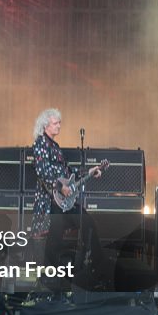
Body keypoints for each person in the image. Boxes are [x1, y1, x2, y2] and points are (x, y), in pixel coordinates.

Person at [30, 108, 104, 291]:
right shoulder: (40, 144)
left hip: (63, 203)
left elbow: (68, 173)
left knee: (87, 222)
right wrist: (58, 186)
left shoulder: (55, 147)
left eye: (59, 123)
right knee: (54, 240)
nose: (59, 126)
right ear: (46, 125)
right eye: (56, 123)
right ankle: (48, 281)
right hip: (50, 202)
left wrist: (90, 172)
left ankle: (94, 267)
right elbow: (41, 171)